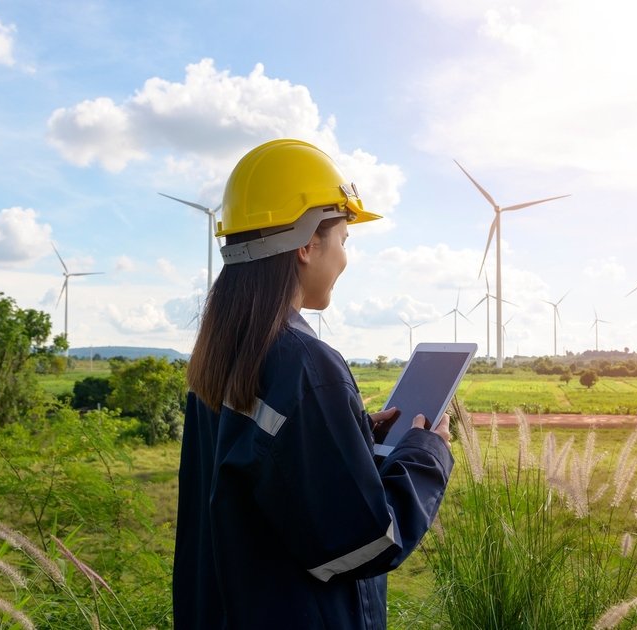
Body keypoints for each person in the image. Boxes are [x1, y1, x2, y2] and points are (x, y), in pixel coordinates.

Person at [173, 139, 454, 629]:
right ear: (306, 246)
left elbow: (264, 473)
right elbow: (366, 542)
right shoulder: (305, 365)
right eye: (344, 239)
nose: (345, 258)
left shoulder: (220, 355)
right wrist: (427, 452)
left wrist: (350, 433)